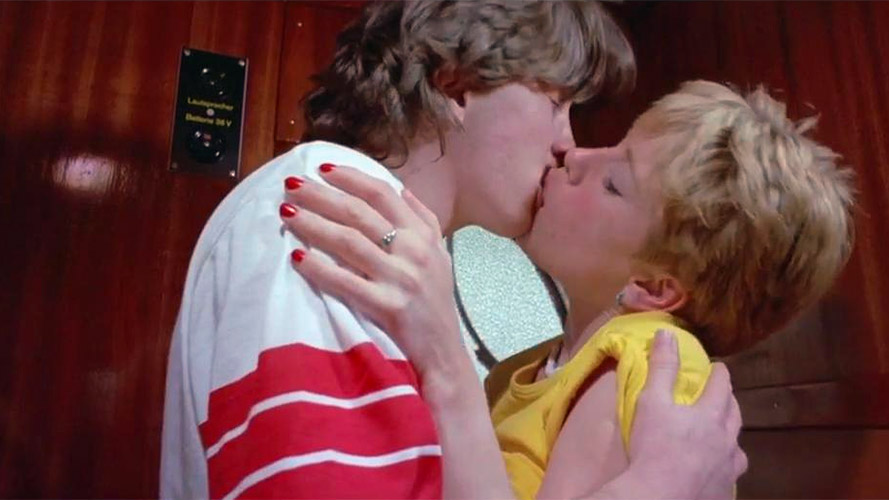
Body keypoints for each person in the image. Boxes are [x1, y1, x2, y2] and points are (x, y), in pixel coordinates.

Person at [160, 0, 746, 497]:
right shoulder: (336, 208)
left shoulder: (394, 254)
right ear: (457, 85)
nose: (568, 145)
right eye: (557, 103)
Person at [278, 81, 852, 499]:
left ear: (655, 287)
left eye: (614, 182)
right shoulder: (533, 368)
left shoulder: (651, 363)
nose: (575, 155)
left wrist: (442, 346)